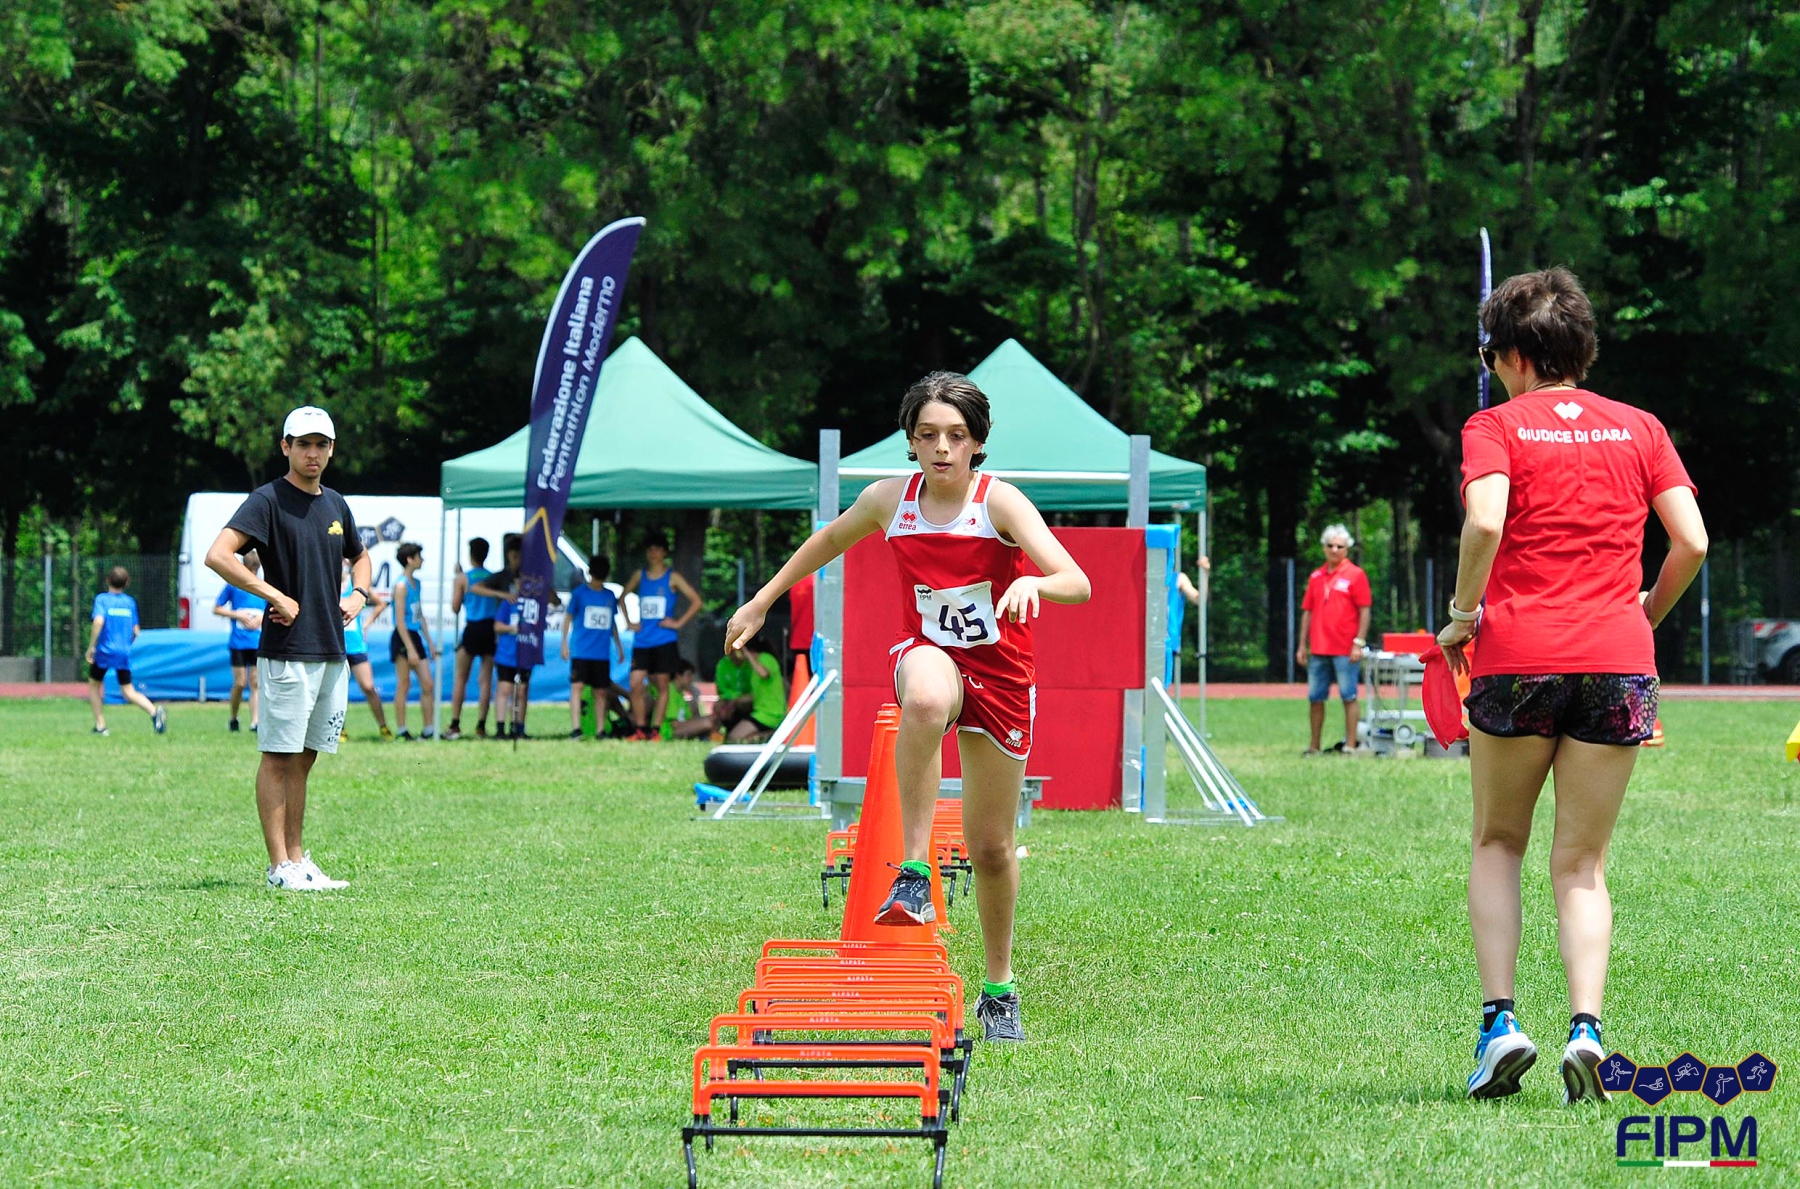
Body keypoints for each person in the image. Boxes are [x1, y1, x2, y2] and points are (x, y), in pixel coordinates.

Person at [726, 371, 1091, 1042]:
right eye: (928, 435)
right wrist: (762, 600)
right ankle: (915, 871)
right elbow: (827, 541)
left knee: (991, 848)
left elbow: (1078, 580)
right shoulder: (888, 499)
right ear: (911, 440)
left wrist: (1034, 585)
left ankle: (1000, 986)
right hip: (928, 653)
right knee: (922, 696)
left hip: (1002, 675)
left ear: (976, 441)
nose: (942, 448)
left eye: (955, 435)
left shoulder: (1000, 501)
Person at [1438, 267, 1705, 1103]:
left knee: (1498, 841)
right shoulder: (1642, 427)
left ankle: (1500, 1024)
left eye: (1491, 356)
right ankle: (1586, 1030)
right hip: (1617, 657)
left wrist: (1461, 613)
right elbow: (1692, 541)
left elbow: (1486, 518)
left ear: (1515, 355)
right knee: (1583, 863)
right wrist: (1644, 614)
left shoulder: (1493, 425)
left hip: (1518, 653)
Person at [205, 405, 370, 891]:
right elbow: (218, 555)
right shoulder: (267, 500)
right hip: (286, 652)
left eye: (321, 444)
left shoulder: (336, 504)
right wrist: (273, 595)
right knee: (278, 756)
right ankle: (279, 867)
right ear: (286, 447)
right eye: (303, 444)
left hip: (331, 650)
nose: (312, 453)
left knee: (305, 757)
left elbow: (360, 556)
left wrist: (359, 594)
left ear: (332, 450)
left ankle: (298, 861)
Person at [1296, 525, 1372, 755]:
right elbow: (1307, 612)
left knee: (1349, 696)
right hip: (1319, 648)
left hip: (1345, 648)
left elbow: (1365, 610)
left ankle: (1350, 745)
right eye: (1330, 545)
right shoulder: (1316, 576)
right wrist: (1302, 645)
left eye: (1340, 546)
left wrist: (1359, 642)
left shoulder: (1355, 575)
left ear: (1347, 549)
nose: (1334, 549)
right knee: (1315, 698)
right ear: (1324, 547)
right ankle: (1314, 745)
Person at [622, 534, 701, 740]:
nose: (653, 553)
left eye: (657, 549)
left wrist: (678, 623)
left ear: (665, 552)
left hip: (664, 640)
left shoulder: (673, 577)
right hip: (642, 640)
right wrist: (629, 622)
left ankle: (655, 730)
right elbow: (621, 598)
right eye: (650, 549)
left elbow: (696, 601)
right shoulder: (640, 575)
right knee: (635, 683)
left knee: (662, 683)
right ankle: (640, 728)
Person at [85, 565, 165, 736]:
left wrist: (91, 646)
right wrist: (127, 645)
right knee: (128, 691)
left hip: (105, 651)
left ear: (108, 580)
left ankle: (100, 726)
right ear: (127, 583)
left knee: (94, 686)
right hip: (123, 652)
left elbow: (98, 621)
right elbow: (136, 631)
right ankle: (154, 712)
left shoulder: (102, 600)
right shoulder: (129, 602)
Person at [676, 638, 785, 741]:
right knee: (737, 737)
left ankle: (773, 734)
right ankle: (767, 735)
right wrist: (735, 701)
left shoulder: (765, 658)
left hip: (769, 713)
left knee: (733, 738)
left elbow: (764, 674)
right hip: (760, 711)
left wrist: (746, 654)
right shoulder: (733, 664)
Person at [562, 558, 623, 740]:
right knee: (577, 686)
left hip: (601, 652)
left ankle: (600, 730)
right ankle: (576, 728)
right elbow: (568, 618)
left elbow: (612, 623)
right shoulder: (579, 594)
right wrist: (564, 643)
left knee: (601, 691)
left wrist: (619, 646)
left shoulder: (609, 596)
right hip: (582, 650)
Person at [446, 537, 498, 740]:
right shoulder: (492, 578)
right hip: (490, 628)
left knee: (461, 677)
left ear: (471, 555)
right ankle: (481, 725)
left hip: (473, 627)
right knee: (485, 680)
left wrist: (458, 581)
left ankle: (455, 723)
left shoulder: (463, 578)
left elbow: (455, 607)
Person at [212, 549, 266, 732]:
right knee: (240, 682)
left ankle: (255, 721)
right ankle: (234, 717)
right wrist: (238, 615)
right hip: (239, 643)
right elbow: (217, 608)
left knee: (255, 682)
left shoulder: (263, 586)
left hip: (257, 641)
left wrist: (261, 618)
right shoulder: (233, 586)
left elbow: (271, 609)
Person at [389, 542, 437, 740]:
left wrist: (430, 643)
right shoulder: (401, 586)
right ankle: (402, 730)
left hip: (415, 635)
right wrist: (410, 649)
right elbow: (400, 621)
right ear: (410, 559)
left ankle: (429, 729)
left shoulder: (417, 583)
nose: (422, 560)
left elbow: (419, 615)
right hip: (403, 637)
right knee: (404, 683)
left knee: (428, 684)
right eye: (419, 556)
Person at [341, 558, 393, 741]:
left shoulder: (355, 585)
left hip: (356, 645)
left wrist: (366, 625)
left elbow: (381, 603)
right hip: (335, 645)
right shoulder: (327, 583)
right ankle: (339, 730)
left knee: (368, 686)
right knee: (337, 692)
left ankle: (384, 727)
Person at [491, 579, 529, 738]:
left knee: (521, 691)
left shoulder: (533, 604)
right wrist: (513, 628)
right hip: (506, 654)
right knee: (505, 689)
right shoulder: (509, 602)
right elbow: (497, 626)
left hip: (525, 654)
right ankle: (500, 728)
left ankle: (518, 727)